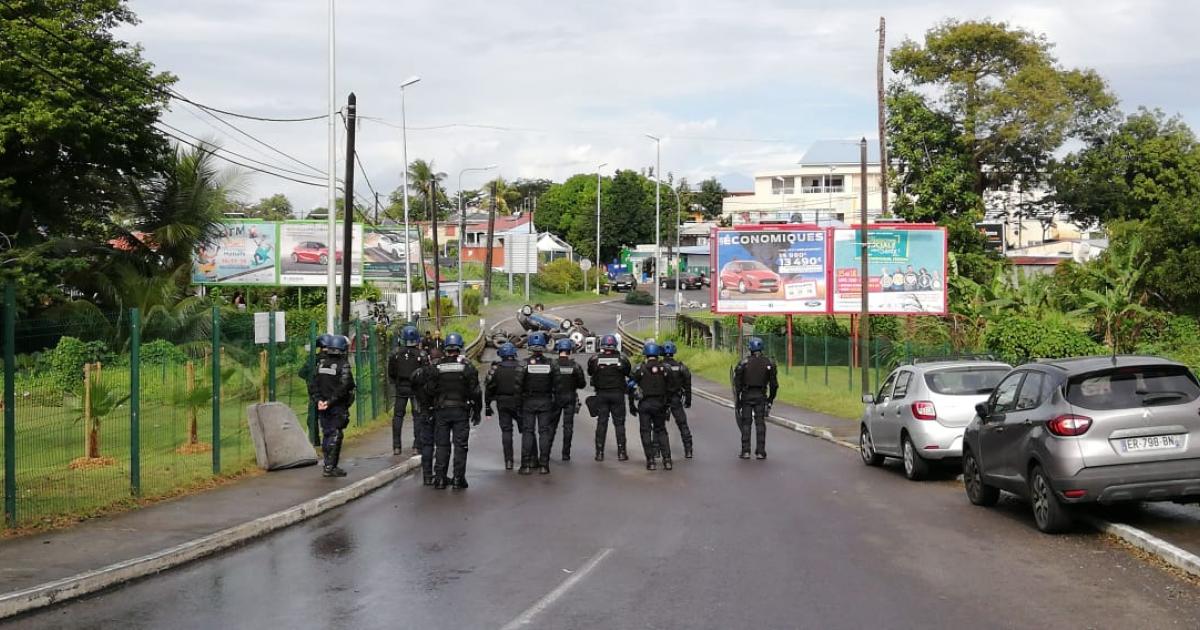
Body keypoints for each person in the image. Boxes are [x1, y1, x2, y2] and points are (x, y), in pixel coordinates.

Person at [424, 333, 482, 489]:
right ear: (460, 347)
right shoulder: (467, 366)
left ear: (445, 348)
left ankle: (440, 479)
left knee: (442, 445)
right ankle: (458, 479)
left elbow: (429, 390)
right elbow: (475, 391)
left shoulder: (436, 366)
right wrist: (477, 411)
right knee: (460, 445)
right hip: (461, 411)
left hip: (441, 410)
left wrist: (429, 410)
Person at [308, 334, 355, 477]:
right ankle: (330, 467)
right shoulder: (343, 365)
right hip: (336, 405)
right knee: (335, 434)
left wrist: (319, 401)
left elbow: (313, 384)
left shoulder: (321, 364)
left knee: (327, 434)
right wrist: (330, 401)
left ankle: (327, 464)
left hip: (323, 405)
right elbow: (345, 386)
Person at [630, 342, 676, 471]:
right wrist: (667, 404)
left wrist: (631, 404)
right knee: (661, 431)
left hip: (644, 404)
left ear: (645, 353)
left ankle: (650, 461)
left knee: (645, 432)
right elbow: (671, 388)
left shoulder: (640, 369)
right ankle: (667, 460)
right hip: (660, 404)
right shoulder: (665, 369)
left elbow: (630, 385)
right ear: (657, 354)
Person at [733, 337, 778, 460]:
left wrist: (738, 399)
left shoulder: (743, 363)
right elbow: (774, 385)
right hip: (761, 396)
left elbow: (737, 384)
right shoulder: (769, 363)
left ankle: (746, 451)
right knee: (760, 423)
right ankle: (761, 451)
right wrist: (770, 399)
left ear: (750, 348)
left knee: (746, 423)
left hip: (747, 396)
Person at [519, 332, 558, 475]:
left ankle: (525, 465)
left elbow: (518, 385)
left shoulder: (523, 364)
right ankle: (544, 465)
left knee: (528, 432)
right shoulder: (551, 363)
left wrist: (519, 402)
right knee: (544, 433)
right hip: (545, 402)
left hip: (528, 402)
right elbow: (557, 384)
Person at [587, 334, 631, 462]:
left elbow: (590, 372)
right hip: (618, 395)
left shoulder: (594, 358)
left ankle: (599, 453)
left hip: (601, 395)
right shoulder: (622, 359)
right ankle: (622, 453)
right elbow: (628, 372)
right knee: (619, 424)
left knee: (601, 423)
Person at [387, 325, 429, 455]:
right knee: (417, 416)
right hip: (416, 389)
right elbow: (426, 373)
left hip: (401, 388)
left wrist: (396, 382)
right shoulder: (421, 354)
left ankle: (396, 446)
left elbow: (391, 372)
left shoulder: (395, 354)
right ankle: (417, 446)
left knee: (398, 416)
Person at [485, 343, 524, 470]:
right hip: (519, 402)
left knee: (506, 432)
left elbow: (489, 387)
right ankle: (530, 459)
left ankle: (508, 461)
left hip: (502, 403)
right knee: (527, 431)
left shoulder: (495, 369)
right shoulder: (521, 367)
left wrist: (487, 405)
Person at [549, 338, 586, 462]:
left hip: (555, 397)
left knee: (551, 426)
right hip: (570, 397)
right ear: (570, 350)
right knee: (568, 426)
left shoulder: (552, 365)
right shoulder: (575, 365)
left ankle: (546, 451)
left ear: (558, 350)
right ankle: (566, 454)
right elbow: (582, 384)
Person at [660, 341, 694, 459]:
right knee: (682, 424)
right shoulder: (681, 367)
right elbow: (688, 386)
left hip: (662, 399)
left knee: (659, 425)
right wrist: (688, 400)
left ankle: (656, 450)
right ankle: (688, 450)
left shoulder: (659, 366)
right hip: (676, 399)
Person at [409, 354, 437, 485]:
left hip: (423, 409)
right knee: (441, 444)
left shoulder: (415, 375)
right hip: (436, 410)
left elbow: (413, 389)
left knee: (427, 445)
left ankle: (427, 475)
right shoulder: (436, 373)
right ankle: (439, 475)